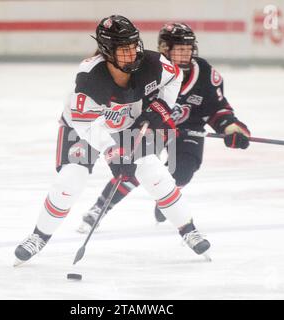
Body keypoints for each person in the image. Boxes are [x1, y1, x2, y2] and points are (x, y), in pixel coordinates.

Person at [14, 16, 211, 266]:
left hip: (127, 126)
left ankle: (188, 230)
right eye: (123, 48)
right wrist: (112, 152)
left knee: (153, 171)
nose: (132, 53)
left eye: (133, 45)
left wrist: (161, 107)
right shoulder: (89, 76)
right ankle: (38, 236)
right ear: (107, 51)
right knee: (71, 180)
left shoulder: (152, 63)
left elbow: (174, 77)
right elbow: (85, 124)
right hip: (83, 127)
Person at [77, 22, 250, 233]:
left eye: (188, 49)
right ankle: (100, 208)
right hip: (152, 124)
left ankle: (167, 204)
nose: (186, 55)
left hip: (188, 127)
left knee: (184, 171)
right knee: (134, 167)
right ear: (164, 49)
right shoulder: (150, 68)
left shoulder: (205, 74)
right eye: (180, 50)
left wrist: (231, 129)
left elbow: (218, 110)